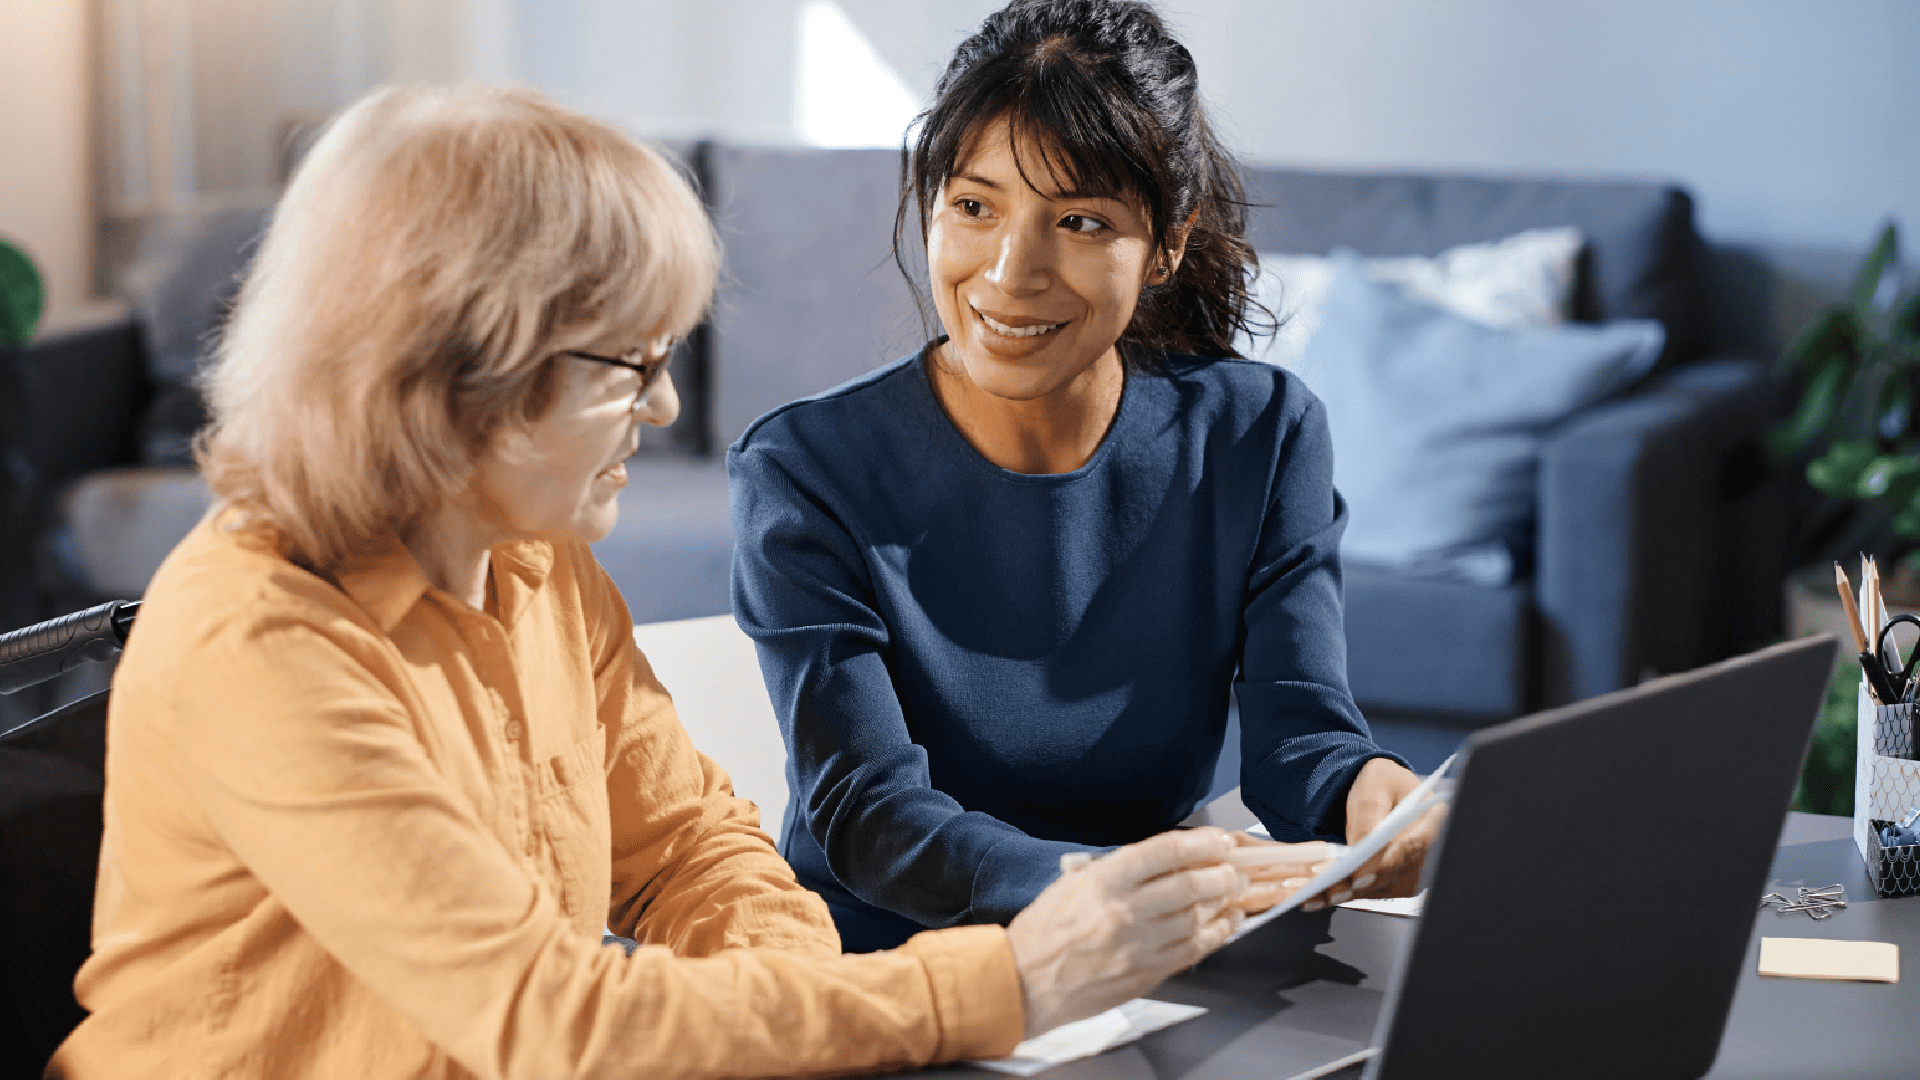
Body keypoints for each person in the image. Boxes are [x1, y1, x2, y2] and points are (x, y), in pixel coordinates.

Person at [46, 84, 1262, 1080]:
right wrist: (1008, 984)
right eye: (630, 364)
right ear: (460, 365)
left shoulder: (537, 560)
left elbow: (693, 846)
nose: (668, 406)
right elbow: (556, 1022)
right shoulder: (260, 639)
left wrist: (808, 1013)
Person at [728, 0, 1443, 954]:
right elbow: (870, 818)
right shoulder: (806, 470)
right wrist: (1108, 888)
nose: (1012, 272)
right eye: (974, 206)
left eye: (1079, 220)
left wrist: (1374, 799)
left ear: (1168, 244)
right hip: (895, 972)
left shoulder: (1260, 434)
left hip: (1154, 956)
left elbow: (1301, 746)